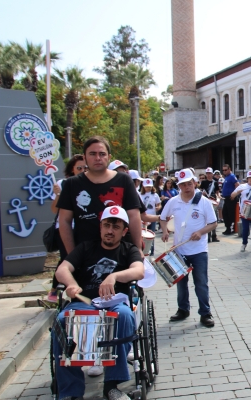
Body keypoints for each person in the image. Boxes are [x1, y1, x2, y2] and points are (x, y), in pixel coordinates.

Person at [53, 205, 144, 400]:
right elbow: (62, 270)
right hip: (84, 302)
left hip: (114, 302)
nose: (110, 231)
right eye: (107, 225)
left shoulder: (128, 249)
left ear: (124, 231)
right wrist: (71, 284)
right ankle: (71, 391)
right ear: (100, 227)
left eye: (116, 227)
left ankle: (111, 385)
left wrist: (114, 276)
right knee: (61, 321)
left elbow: (139, 271)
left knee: (125, 315)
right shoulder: (85, 247)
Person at [57, 136, 143, 258]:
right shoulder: (72, 184)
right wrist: (72, 255)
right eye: (92, 154)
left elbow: (134, 216)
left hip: (120, 254)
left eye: (102, 154)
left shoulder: (124, 180)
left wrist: (138, 248)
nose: (97, 158)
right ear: (84, 157)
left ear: (109, 157)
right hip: (85, 254)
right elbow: (65, 221)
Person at [160, 169, 217, 326]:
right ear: (179, 186)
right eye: (183, 185)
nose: (186, 187)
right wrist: (165, 231)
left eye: (189, 184)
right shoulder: (173, 202)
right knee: (181, 283)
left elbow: (213, 223)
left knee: (201, 283)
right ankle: (183, 309)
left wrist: (200, 232)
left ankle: (205, 313)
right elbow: (163, 218)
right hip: (180, 250)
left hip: (199, 250)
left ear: (195, 183)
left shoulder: (204, 202)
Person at [48, 154, 87, 302]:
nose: (82, 170)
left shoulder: (91, 183)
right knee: (67, 258)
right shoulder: (63, 184)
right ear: (72, 169)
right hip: (65, 228)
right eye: (79, 168)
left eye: (85, 167)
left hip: (83, 226)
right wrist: (58, 195)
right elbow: (54, 210)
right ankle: (55, 290)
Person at [231, 171, 251, 252]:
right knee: (245, 229)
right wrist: (238, 192)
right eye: (250, 178)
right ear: (247, 179)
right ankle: (244, 244)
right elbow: (232, 195)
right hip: (245, 211)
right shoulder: (242, 186)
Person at [140, 178, 161, 256]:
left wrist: (158, 207)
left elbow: (159, 204)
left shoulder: (155, 195)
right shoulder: (140, 195)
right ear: (143, 186)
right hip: (143, 218)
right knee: (143, 235)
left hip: (152, 217)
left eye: (149, 186)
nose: (148, 188)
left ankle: (151, 251)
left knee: (151, 234)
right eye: (147, 187)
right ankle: (143, 250)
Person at [200, 167, 221, 243]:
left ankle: (214, 235)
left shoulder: (215, 182)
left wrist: (218, 198)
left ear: (212, 174)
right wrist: (202, 193)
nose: (209, 175)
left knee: (214, 219)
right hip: (206, 201)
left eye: (210, 173)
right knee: (207, 219)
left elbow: (217, 192)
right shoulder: (204, 182)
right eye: (207, 173)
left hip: (213, 201)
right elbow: (201, 191)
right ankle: (208, 237)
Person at [221, 164, 239, 235]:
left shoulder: (232, 176)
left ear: (229, 169)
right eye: (223, 170)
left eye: (226, 170)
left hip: (231, 198)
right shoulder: (226, 177)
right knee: (225, 213)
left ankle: (230, 228)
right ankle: (228, 228)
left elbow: (237, 185)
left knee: (230, 214)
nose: (224, 171)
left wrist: (234, 194)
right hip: (226, 198)